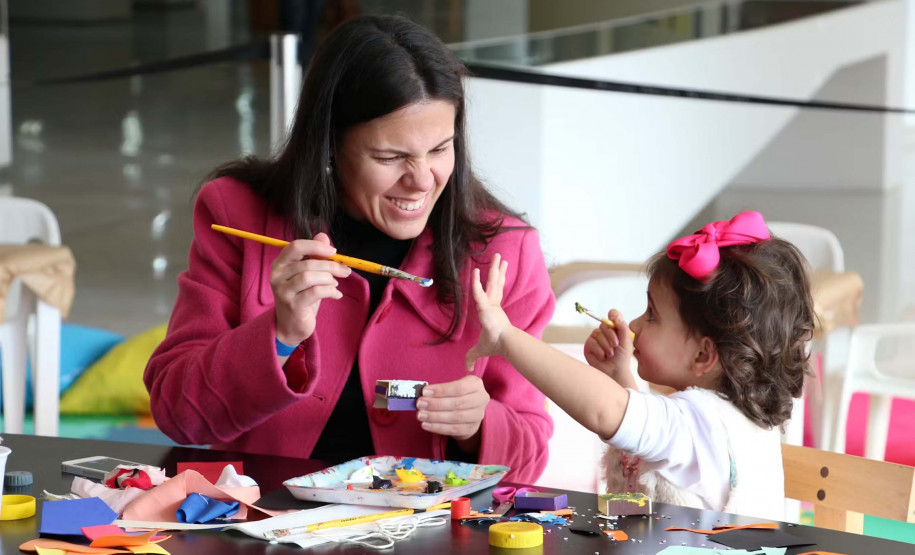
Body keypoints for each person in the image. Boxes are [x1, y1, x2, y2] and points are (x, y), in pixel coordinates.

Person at [144, 15, 555, 483]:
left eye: (440, 149)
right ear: (330, 145)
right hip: (263, 513)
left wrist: (481, 426)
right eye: (390, 157)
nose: (422, 180)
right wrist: (279, 333)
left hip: (427, 522)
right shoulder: (239, 215)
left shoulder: (505, 251)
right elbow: (178, 415)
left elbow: (529, 461)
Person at [467, 211, 814, 519]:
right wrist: (619, 375)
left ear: (703, 356)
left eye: (652, 314)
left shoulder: (702, 424)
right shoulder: (723, 420)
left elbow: (606, 411)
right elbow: (649, 437)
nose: (634, 325)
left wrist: (506, 336)